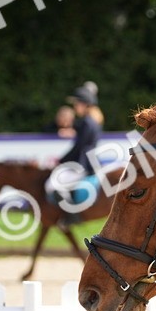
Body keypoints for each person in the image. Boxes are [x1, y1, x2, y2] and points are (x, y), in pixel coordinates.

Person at [46, 82, 103, 226]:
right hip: (88, 162)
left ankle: (72, 215)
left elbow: (79, 147)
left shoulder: (87, 123)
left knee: (52, 185)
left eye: (77, 103)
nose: (75, 107)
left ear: (84, 104)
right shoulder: (91, 121)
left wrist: (61, 160)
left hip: (83, 165)